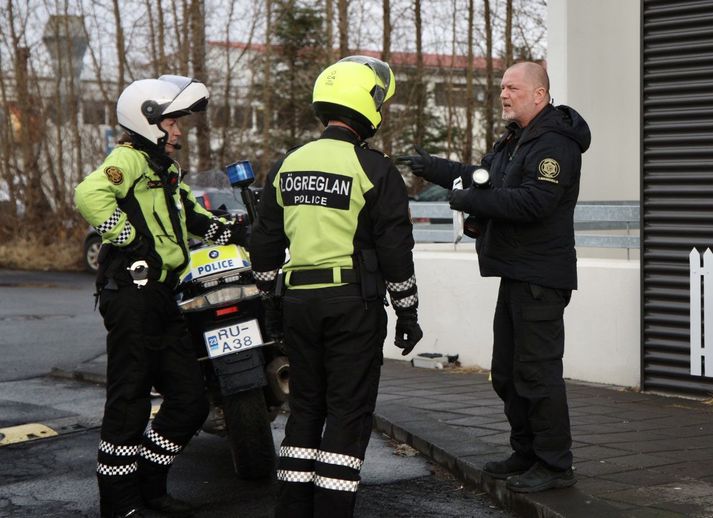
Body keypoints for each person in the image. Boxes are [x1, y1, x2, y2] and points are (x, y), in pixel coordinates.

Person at [397, 61, 591, 493]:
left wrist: (467, 200)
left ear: (539, 95)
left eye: (513, 88)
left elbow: (533, 203)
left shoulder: (554, 144)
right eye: (502, 87)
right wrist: (431, 167)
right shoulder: (517, 139)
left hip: (540, 276)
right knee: (506, 372)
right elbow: (483, 177)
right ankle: (526, 453)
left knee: (537, 374)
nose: (503, 94)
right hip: (516, 273)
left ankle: (555, 465)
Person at [250, 55, 423, 517]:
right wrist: (408, 313)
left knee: (305, 407)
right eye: (379, 103)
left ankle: (292, 510)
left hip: (298, 305)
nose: (381, 113)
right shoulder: (375, 169)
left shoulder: (288, 164)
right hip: (353, 306)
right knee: (347, 413)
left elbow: (264, 245)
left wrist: (269, 307)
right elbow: (395, 253)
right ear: (364, 104)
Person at [74, 75, 248, 518]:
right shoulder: (127, 159)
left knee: (189, 399)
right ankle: (119, 503)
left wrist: (232, 229)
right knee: (129, 400)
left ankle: (150, 486)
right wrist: (132, 238)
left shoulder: (164, 170)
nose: (180, 129)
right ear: (148, 120)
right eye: (173, 121)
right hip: (131, 294)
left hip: (162, 295)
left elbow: (191, 213)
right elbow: (89, 193)